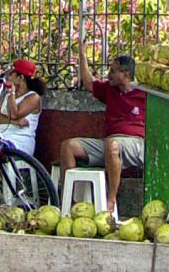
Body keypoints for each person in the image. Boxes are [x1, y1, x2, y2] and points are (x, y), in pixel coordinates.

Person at [57, 37, 145, 214]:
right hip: (108, 143)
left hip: (135, 145)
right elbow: (88, 81)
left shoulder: (144, 95)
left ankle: (110, 200)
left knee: (112, 145)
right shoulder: (109, 90)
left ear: (126, 75)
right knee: (68, 146)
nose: (109, 75)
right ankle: (71, 203)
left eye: (113, 72)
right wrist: (82, 55)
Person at [0, 58, 44, 158]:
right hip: (0, 138)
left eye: (10, 74)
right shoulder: (5, 94)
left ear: (20, 78)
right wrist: (15, 122)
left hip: (19, 142)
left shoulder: (33, 97)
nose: (7, 77)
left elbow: (14, 114)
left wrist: (11, 93)